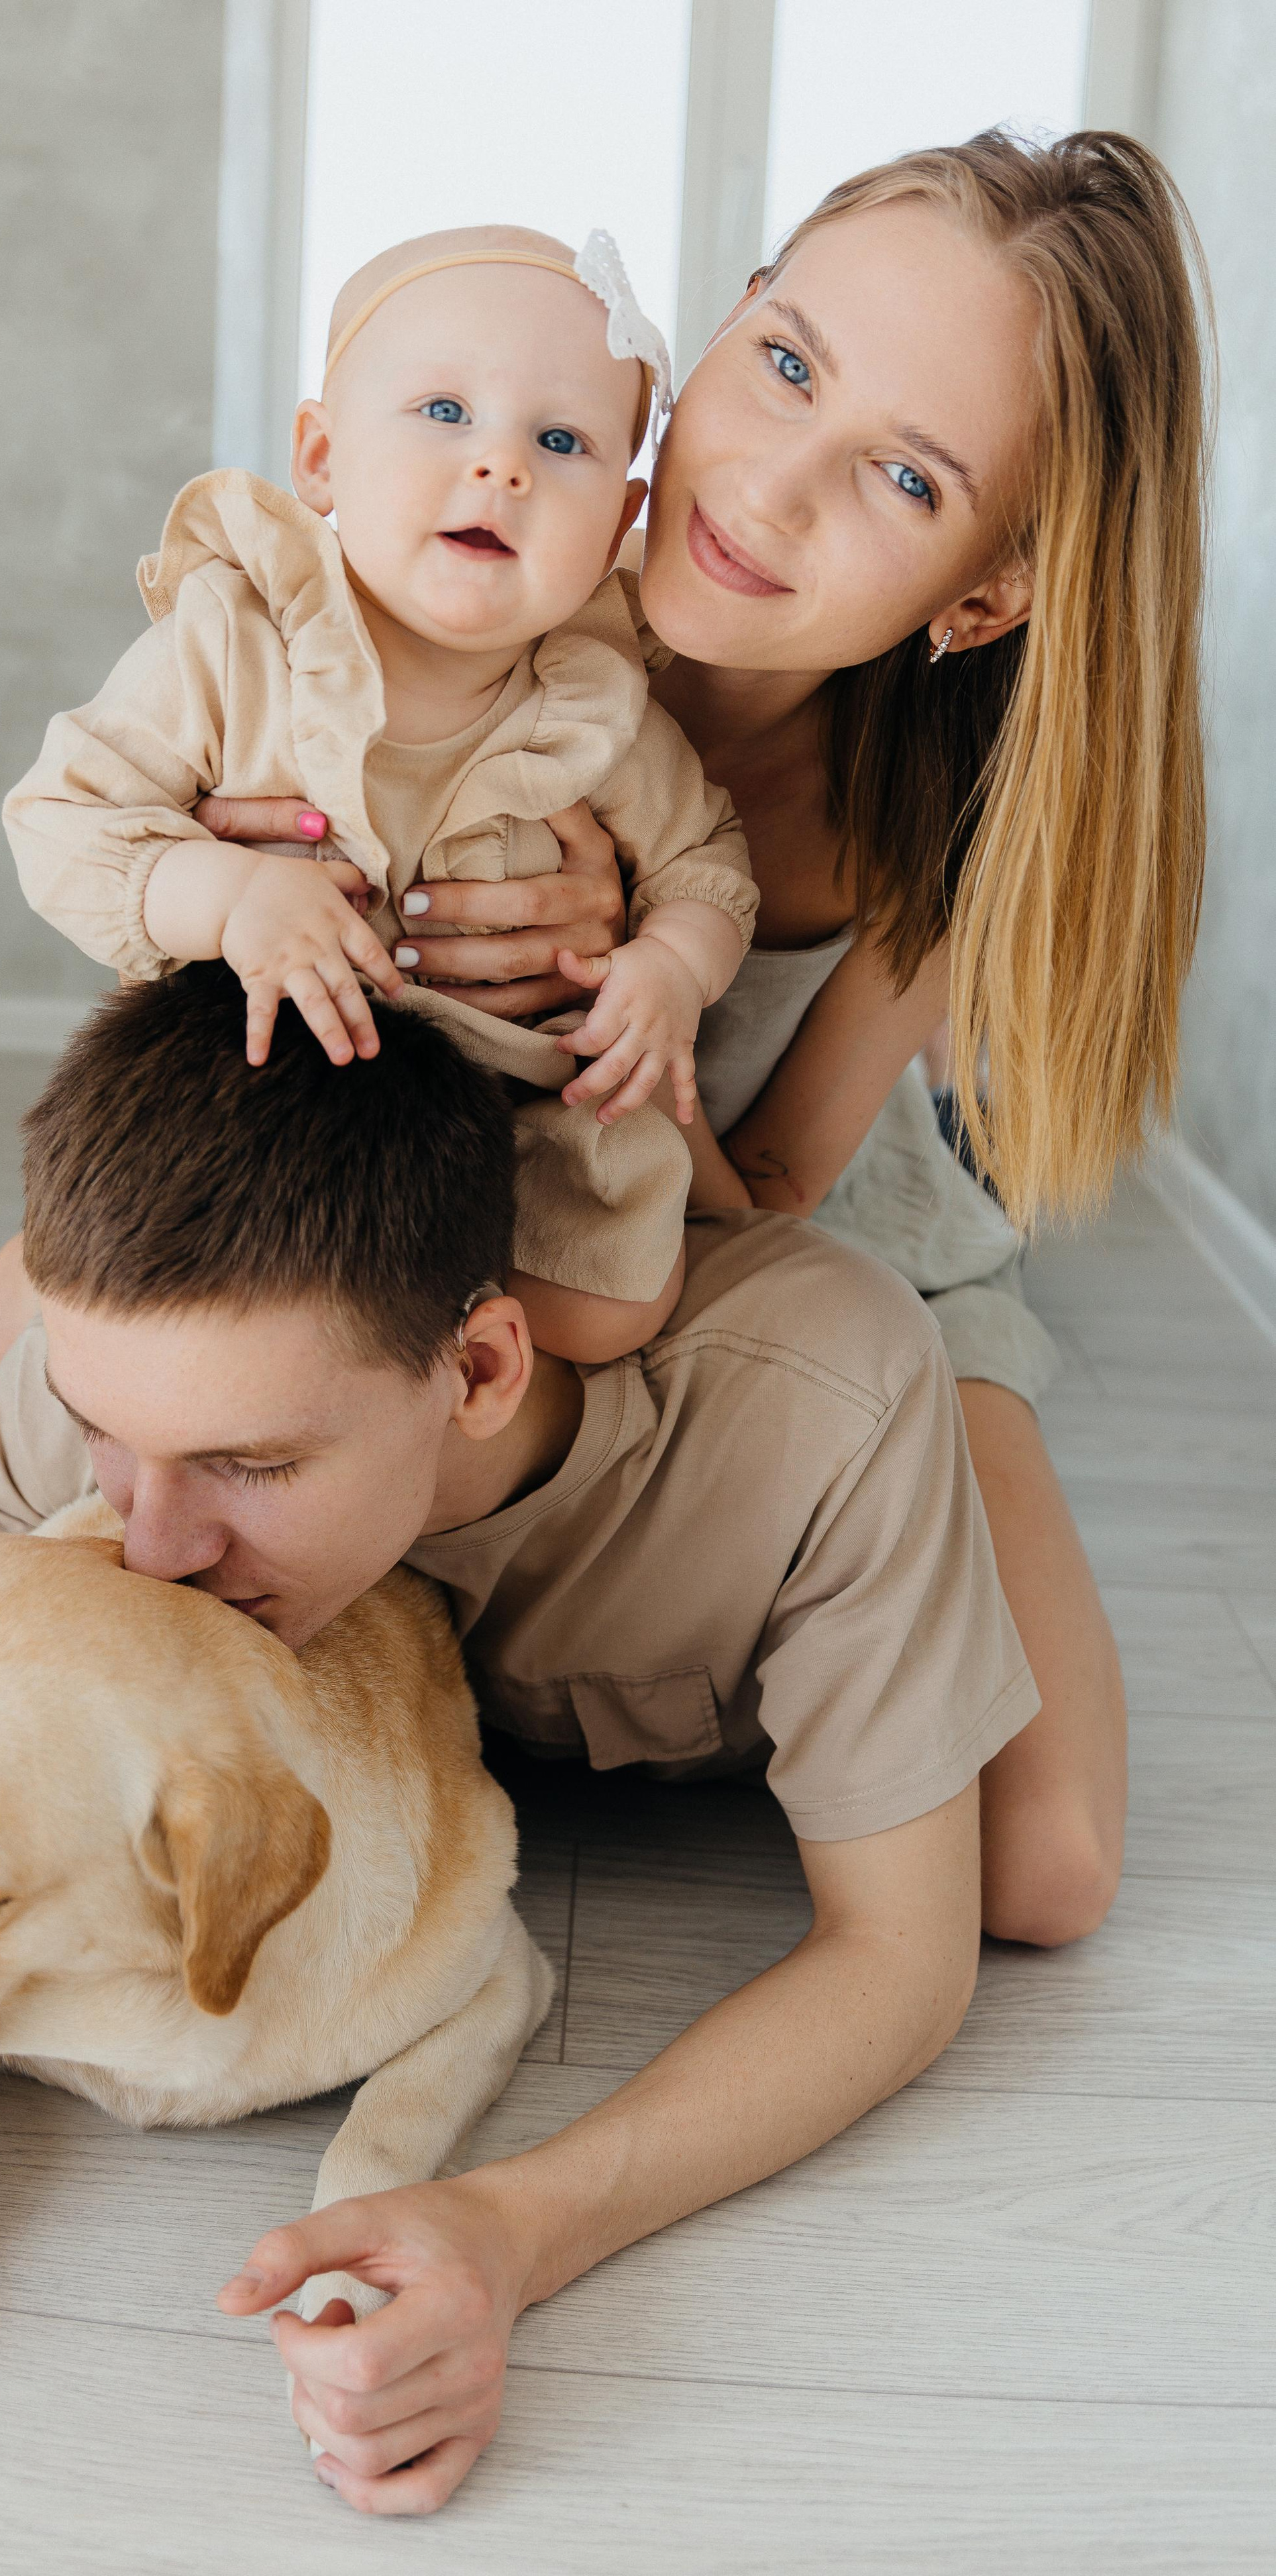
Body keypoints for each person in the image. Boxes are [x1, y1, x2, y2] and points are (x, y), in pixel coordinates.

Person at [0, 968, 1036, 2514]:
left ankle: (993, 1307)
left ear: (481, 1370)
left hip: (863, 1299)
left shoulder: (815, 1414)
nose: (143, 1551)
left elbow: (901, 1957)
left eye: (245, 1462)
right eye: (106, 1434)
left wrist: (514, 2224)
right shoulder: (119, 1393)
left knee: (1045, 1872)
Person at [132, 129, 1210, 1961]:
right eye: (786, 363)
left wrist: (641, 971)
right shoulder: (477, 562)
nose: (768, 491)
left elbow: (783, 1187)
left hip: (812, 1230)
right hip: (472, 1161)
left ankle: (717, 1639)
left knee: (1045, 1867)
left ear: (984, 596)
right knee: (50, 1329)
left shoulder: (928, 823)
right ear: (720, 323)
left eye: (902, 475)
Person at [2, 225, 759, 1365]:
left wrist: (671, 968)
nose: (500, 466)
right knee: (87, 1313)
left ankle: (434, 1381)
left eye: (561, 441)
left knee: (609, 1314)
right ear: (319, 457)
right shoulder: (233, 644)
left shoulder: (596, 707)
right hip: (270, 1091)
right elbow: (59, 818)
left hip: (512, 1119)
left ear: (617, 520)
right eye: (445, 412)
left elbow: (708, 864)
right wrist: (227, 899)